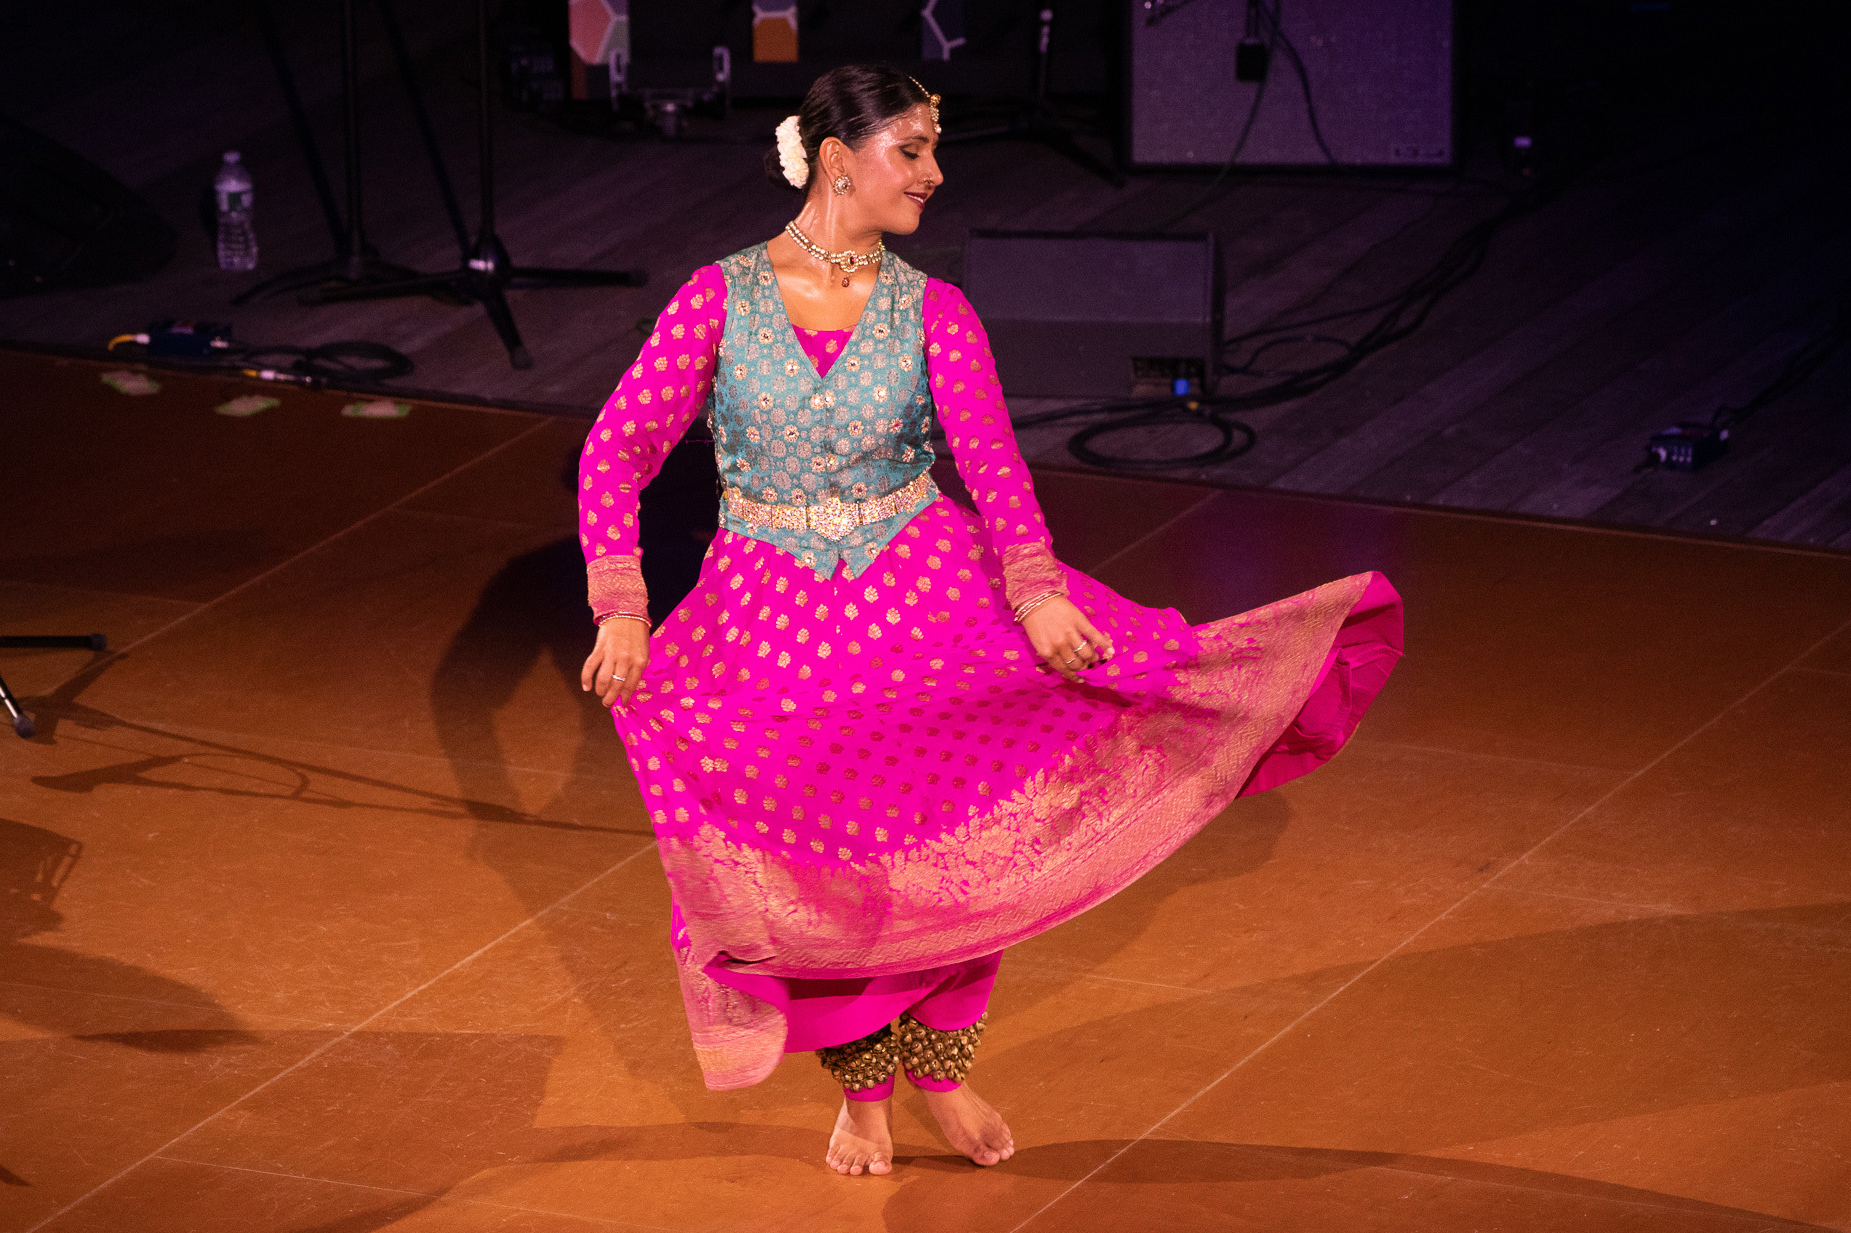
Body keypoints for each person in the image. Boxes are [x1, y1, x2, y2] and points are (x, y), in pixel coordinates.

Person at [575, 66, 1402, 1177]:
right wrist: (621, 603)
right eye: (910, 150)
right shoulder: (718, 299)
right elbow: (616, 449)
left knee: (965, 839)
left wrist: (1041, 592)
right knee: (827, 859)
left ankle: (944, 1069)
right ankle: (863, 1092)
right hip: (763, 619)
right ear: (837, 159)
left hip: (918, 595)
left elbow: (995, 468)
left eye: (932, 147)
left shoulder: (934, 311)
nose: (933, 170)